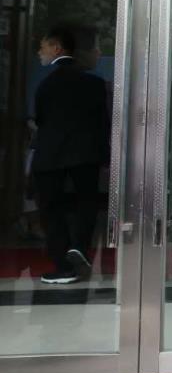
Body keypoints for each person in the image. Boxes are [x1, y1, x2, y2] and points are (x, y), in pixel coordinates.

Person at [30, 24, 109, 285]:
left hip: (49, 157)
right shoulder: (95, 83)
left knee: (52, 210)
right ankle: (79, 247)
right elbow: (102, 122)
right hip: (85, 155)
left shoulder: (45, 84)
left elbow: (40, 119)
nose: (39, 52)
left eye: (42, 47)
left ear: (57, 48)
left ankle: (63, 266)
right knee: (87, 202)